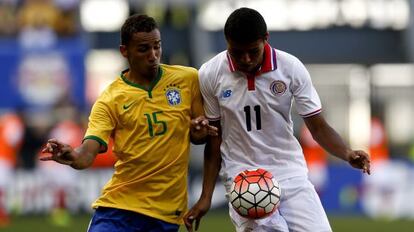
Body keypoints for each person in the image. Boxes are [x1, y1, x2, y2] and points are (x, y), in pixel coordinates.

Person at [184, 7, 371, 232]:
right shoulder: (210, 73)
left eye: (253, 51)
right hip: (244, 178)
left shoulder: (290, 68)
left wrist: (347, 153)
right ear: (227, 42)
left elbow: (318, 127)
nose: (246, 59)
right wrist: (206, 197)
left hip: (290, 173)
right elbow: (214, 140)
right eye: (237, 52)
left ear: (266, 39)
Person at [41, 14, 217, 232]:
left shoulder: (188, 79)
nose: (153, 55)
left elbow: (200, 137)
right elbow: (87, 154)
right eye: (144, 49)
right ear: (125, 51)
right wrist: (73, 156)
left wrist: (199, 130)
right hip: (119, 210)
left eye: (157, 47)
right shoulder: (110, 99)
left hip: (166, 215)